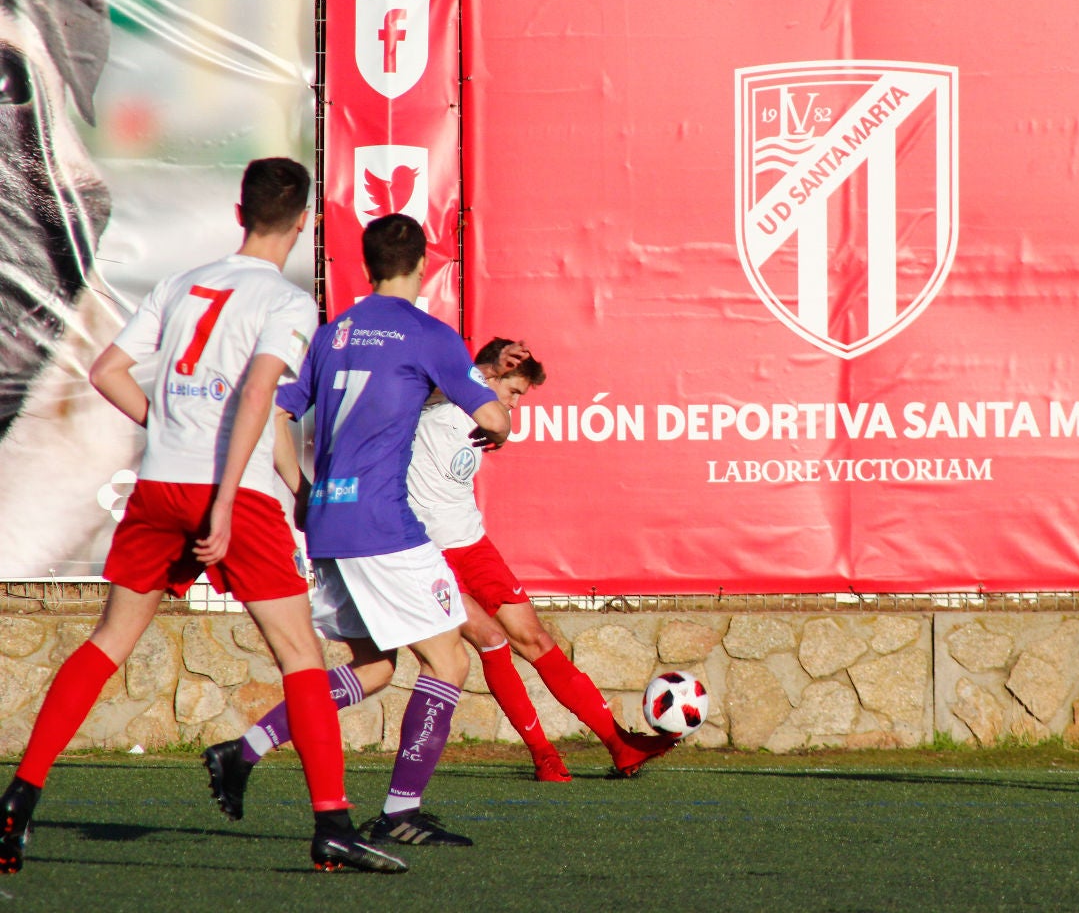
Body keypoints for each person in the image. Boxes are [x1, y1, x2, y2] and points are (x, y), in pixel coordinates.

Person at [0, 159, 405, 874]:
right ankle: (332, 826)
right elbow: (257, 395)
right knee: (300, 655)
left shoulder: (180, 283)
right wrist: (221, 495)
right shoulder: (285, 302)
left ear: (238, 210)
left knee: (109, 642)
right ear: (305, 220)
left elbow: (105, 373)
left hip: (158, 486)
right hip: (233, 495)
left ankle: (18, 802)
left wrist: (173, 434)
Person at [208, 339, 677, 793]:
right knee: (480, 646)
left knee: (529, 640)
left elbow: (492, 428)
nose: (513, 405)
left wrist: (496, 417)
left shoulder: (483, 420)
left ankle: (619, 744)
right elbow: (429, 389)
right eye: (512, 392)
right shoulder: (433, 400)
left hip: (472, 544)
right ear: (487, 374)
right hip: (422, 550)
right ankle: (540, 756)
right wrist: (484, 377)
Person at [204, 212, 515, 850]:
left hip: (329, 521)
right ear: (425, 263)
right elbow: (493, 416)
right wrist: (498, 425)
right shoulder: (429, 332)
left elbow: (272, 414)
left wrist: (299, 488)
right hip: (383, 524)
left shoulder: (333, 332)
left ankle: (244, 750)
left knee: (373, 669)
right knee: (450, 662)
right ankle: (402, 809)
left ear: (367, 266)